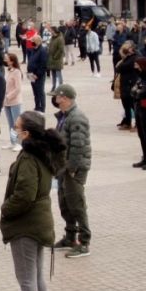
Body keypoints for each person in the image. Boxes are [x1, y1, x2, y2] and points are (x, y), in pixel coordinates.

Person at [2, 111, 62, 291]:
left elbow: (24, 194)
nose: (15, 132)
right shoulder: (44, 152)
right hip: (40, 221)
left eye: (17, 128)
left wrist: (6, 209)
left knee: (27, 279)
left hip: (26, 224)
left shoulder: (28, 158)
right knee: (37, 277)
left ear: (26, 133)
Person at [51, 85, 91, 258]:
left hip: (74, 168)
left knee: (76, 204)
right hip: (64, 167)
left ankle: (84, 242)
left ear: (64, 98)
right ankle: (69, 237)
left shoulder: (76, 118)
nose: (55, 100)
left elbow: (78, 146)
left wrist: (73, 168)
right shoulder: (65, 116)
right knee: (65, 203)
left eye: (57, 97)